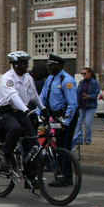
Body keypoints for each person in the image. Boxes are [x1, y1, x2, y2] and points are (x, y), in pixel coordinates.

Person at [0, 51, 45, 173]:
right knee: (15, 129)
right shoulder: (8, 78)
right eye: (23, 63)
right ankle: (4, 155)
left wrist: (43, 109)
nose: (26, 65)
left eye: (26, 62)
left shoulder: (28, 78)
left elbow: (34, 96)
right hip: (5, 112)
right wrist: (26, 110)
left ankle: (31, 176)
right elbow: (13, 97)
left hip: (21, 113)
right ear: (15, 64)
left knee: (33, 142)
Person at [40, 53, 79, 183]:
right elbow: (42, 98)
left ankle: (65, 177)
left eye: (52, 65)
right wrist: (37, 113)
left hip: (65, 118)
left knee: (64, 148)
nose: (49, 68)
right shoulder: (50, 79)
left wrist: (66, 122)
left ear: (60, 65)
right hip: (54, 117)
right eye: (48, 65)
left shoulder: (66, 80)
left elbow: (72, 104)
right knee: (56, 147)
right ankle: (59, 173)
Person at [72, 67, 100, 146]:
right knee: (78, 123)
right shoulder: (81, 82)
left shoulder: (94, 83)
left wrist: (89, 97)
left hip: (90, 106)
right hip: (81, 106)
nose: (83, 75)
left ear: (90, 73)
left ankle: (87, 139)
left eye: (85, 73)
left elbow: (96, 93)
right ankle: (78, 139)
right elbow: (78, 93)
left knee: (88, 123)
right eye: (82, 73)